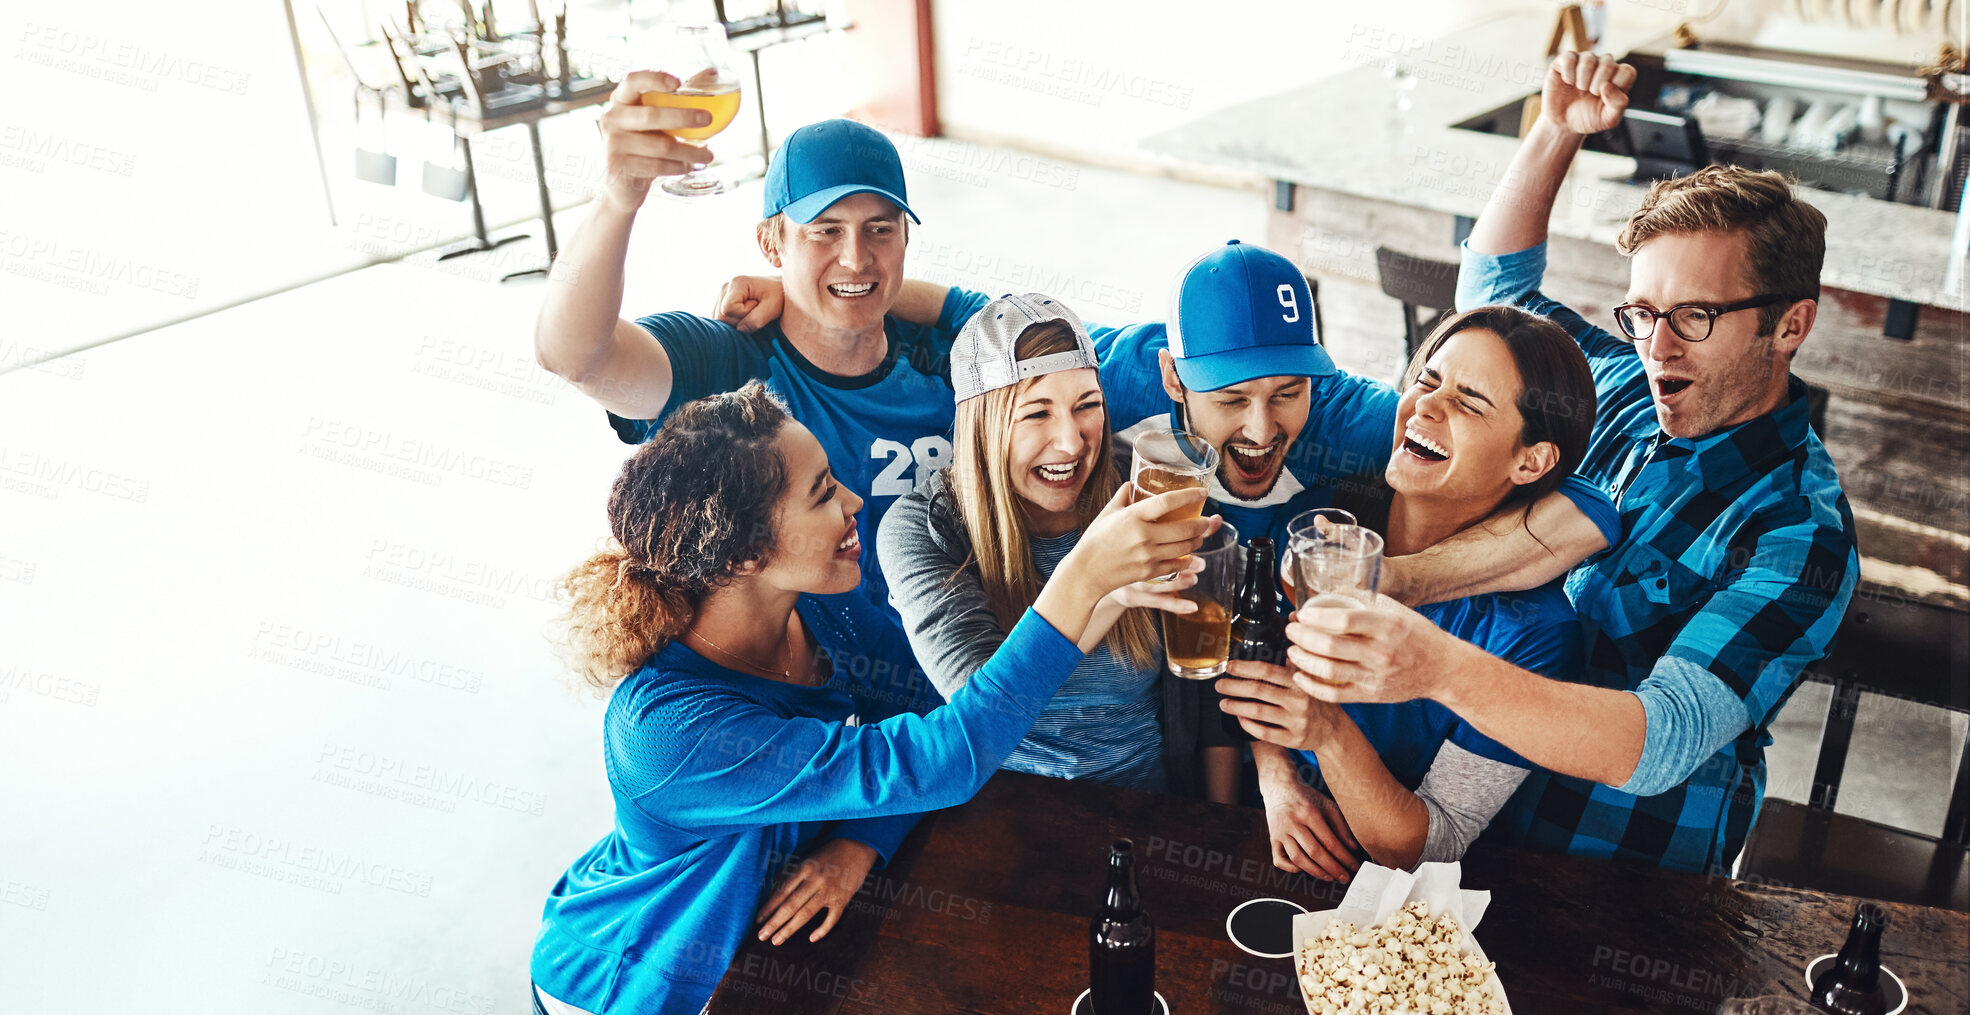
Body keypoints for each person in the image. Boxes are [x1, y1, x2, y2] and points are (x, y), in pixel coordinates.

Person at [716, 244, 1625, 804]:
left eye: (1288, 392)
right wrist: (809, 289)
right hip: (991, 806)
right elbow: (970, 704)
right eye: (1231, 395)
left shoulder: (1327, 431)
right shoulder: (1095, 428)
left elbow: (1587, 506)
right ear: (1172, 380)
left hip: (1153, 805)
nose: (1263, 426)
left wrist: (1229, 803)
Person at [1280, 52, 1859, 875]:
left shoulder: (1798, 533)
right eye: (1644, 313)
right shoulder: (1628, 381)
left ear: (1790, 325)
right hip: (1471, 830)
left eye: (1694, 316)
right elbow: (1494, 290)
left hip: (1618, 875)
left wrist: (1438, 665)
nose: (1658, 348)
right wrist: (1554, 129)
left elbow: (1659, 741)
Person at [529, 382, 1213, 1015]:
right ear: (742, 556)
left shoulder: (823, 607)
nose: (855, 501)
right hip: (640, 976)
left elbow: (918, 706)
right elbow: (940, 760)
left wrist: (860, 839)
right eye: (823, 493)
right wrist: (1077, 579)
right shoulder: (668, 732)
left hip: (776, 942)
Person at [534, 83, 995, 619]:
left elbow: (1058, 342)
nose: (856, 258)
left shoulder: (950, 353)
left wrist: (914, 300)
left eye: (879, 230)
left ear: (905, 240)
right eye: (825, 232)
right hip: (812, 683)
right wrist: (618, 196)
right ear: (771, 245)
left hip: (962, 661)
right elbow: (572, 354)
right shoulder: (727, 372)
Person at [1217, 306, 1593, 879]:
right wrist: (1278, 776)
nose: (1426, 407)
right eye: (1426, 380)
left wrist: (1326, 732)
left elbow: (1431, 846)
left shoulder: (1534, 634)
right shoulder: (1315, 522)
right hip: (1246, 834)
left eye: (1469, 403)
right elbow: (1254, 665)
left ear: (1530, 460)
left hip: (1381, 913)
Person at [879, 294, 1214, 793]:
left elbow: (1208, 684)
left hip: (1150, 811)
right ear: (983, 426)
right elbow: (982, 715)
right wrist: (1091, 576)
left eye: (1087, 407)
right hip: (1003, 814)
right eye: (1037, 414)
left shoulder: (1138, 489)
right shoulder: (921, 528)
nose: (1072, 443)